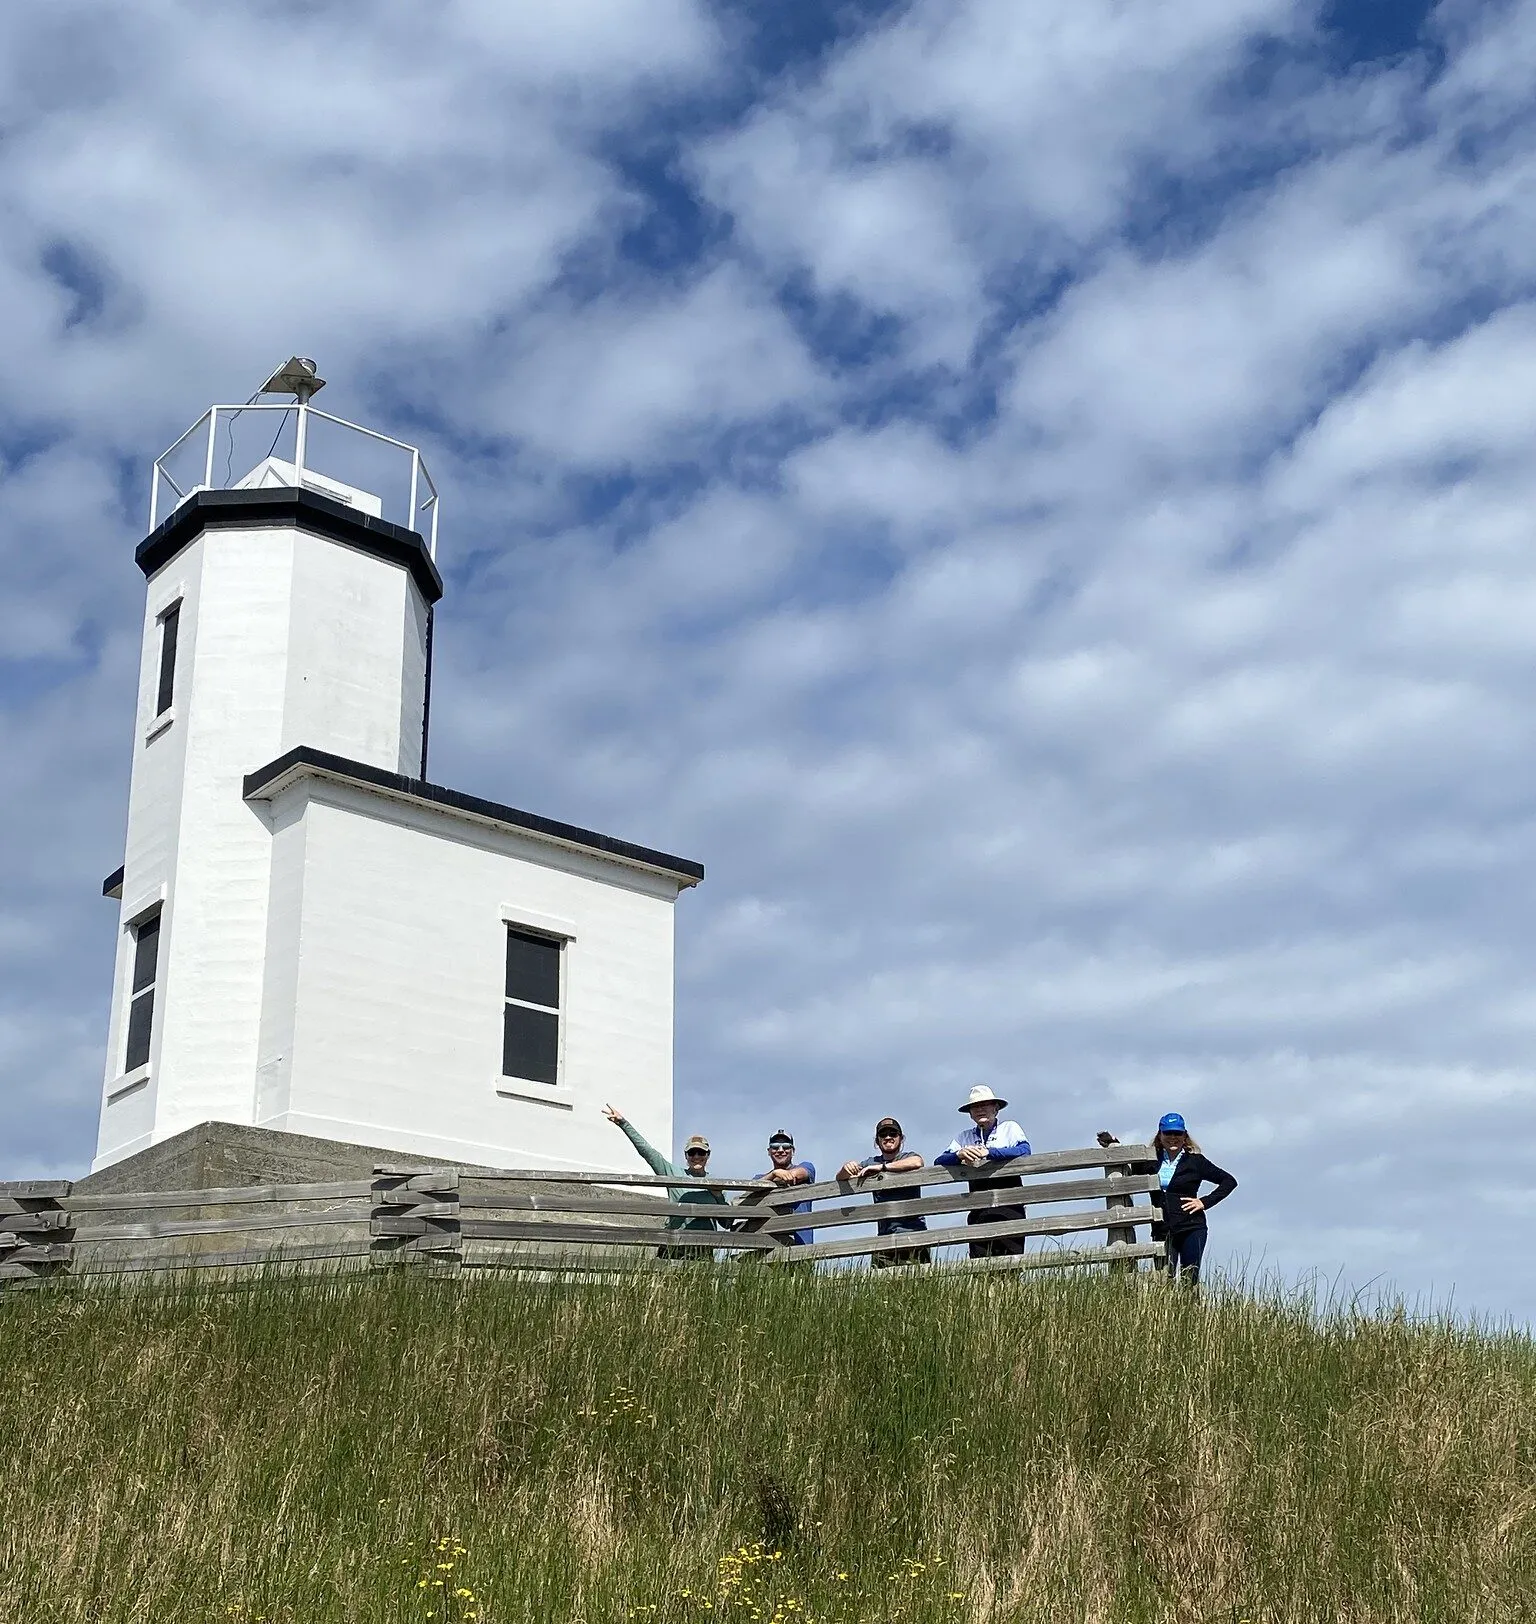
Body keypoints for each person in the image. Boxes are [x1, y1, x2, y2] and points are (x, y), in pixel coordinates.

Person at [1097, 1113, 1236, 1287]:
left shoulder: (1195, 1162)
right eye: (1168, 1133)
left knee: (1189, 1279)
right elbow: (1130, 1164)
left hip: (1192, 1228)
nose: (1173, 1138)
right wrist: (1114, 1144)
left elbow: (1229, 1181)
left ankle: (1190, 1312)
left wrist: (1204, 1202)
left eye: (1177, 1133)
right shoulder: (1150, 1160)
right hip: (1161, 1229)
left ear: (1185, 1136)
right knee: (1163, 1280)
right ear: (1160, 1135)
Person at [602, 1104, 727, 1260]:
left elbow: (726, 1222)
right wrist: (624, 1123)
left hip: (702, 1250)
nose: (696, 1156)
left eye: (701, 1152)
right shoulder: (673, 1173)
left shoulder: (718, 1184)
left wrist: (718, 1196)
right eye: (692, 1152)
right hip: (674, 1245)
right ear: (686, 1155)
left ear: (708, 1155)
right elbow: (648, 1153)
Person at [935, 1085, 1032, 1259]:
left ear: (995, 1108)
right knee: (980, 1263)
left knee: (1012, 1260)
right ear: (970, 1113)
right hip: (978, 1206)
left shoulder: (1009, 1128)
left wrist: (990, 1153)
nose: (980, 1109)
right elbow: (940, 1161)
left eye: (985, 1104)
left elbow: (1024, 1151)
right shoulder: (964, 1137)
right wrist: (959, 1154)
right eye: (975, 1106)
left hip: (1010, 1204)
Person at [838, 1117, 930, 1268]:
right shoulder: (870, 1162)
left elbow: (917, 1162)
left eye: (893, 1134)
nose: (888, 1137)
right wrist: (846, 1168)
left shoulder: (907, 1157)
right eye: (883, 1134)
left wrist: (883, 1168)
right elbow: (842, 1177)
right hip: (885, 1236)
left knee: (920, 1284)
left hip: (914, 1234)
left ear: (901, 1138)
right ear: (877, 1141)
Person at [747, 1129, 816, 1248]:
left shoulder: (806, 1166)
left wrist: (780, 1175)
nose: (780, 1150)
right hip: (769, 1245)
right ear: (769, 1151)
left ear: (793, 1151)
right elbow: (753, 1188)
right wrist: (774, 1174)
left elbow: (798, 1174)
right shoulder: (759, 1178)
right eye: (775, 1147)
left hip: (801, 1244)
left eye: (785, 1146)